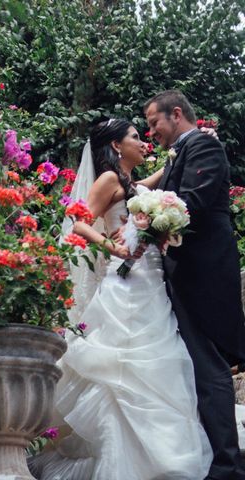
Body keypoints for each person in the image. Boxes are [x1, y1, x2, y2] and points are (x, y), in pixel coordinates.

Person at [28, 118, 213, 479]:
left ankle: (156, 455)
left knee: (159, 359)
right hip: (125, 286)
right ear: (116, 146)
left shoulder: (128, 183)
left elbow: (148, 186)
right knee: (121, 369)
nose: (142, 142)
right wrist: (113, 247)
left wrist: (186, 146)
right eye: (134, 137)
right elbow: (77, 219)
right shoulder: (109, 179)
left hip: (150, 282)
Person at [145, 89, 245, 480]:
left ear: (175, 114)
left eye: (154, 123)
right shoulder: (180, 152)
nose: (151, 132)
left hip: (204, 273)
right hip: (183, 273)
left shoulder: (203, 145)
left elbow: (192, 203)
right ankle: (211, 457)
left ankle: (227, 466)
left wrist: (145, 224)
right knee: (193, 368)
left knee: (208, 368)